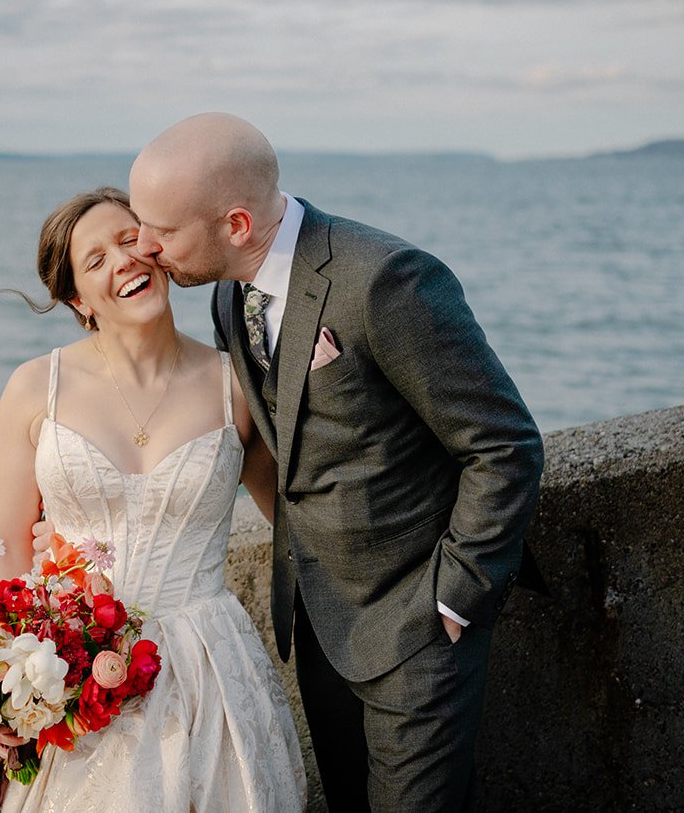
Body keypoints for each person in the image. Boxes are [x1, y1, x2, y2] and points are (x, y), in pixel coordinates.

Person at [115, 113, 546, 811]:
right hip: (318, 624)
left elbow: (504, 445)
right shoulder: (228, 295)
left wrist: (454, 597)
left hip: (417, 620)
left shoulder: (384, 280)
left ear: (236, 225)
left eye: (160, 228)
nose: (143, 246)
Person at [0, 187, 306, 813]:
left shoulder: (234, 385)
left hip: (205, 666)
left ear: (159, 249)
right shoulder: (36, 388)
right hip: (64, 662)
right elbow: (2, 546)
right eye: (95, 260)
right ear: (77, 300)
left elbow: (297, 516)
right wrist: (1, 687)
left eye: (129, 240)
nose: (123, 261)